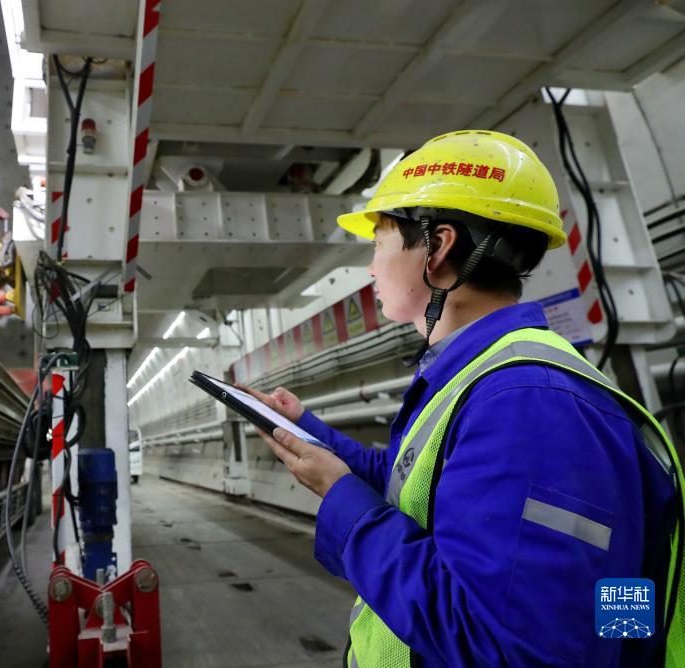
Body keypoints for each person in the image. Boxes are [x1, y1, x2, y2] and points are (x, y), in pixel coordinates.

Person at [241, 130, 684, 667]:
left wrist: (345, 505)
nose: (371, 268)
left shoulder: (527, 403)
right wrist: (304, 427)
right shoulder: (486, 378)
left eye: (378, 243)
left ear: (438, 246)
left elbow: (509, 647)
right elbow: (418, 487)